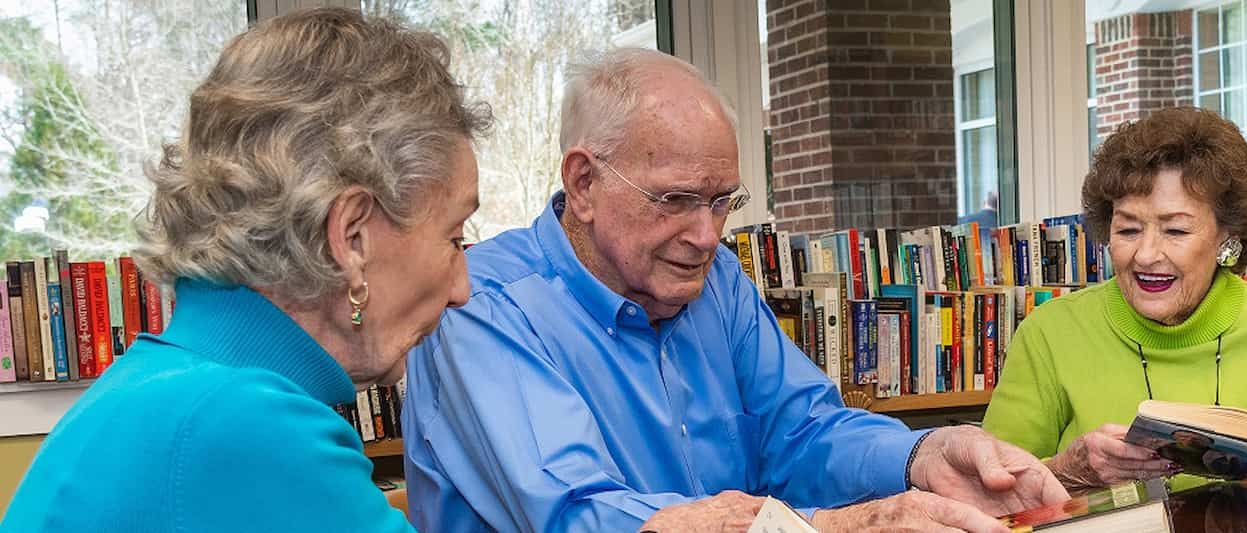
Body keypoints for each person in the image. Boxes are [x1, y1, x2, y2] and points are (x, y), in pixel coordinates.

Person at [402, 47, 1068, 533]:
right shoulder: (482, 307)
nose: (705, 233)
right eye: (677, 199)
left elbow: (805, 430)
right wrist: (841, 528)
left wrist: (922, 455)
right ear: (583, 184)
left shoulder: (715, 281)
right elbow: (583, 515)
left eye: (723, 202)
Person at [0, 8, 488, 532]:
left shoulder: (166, 389)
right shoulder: (244, 424)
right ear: (351, 236)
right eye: (454, 238)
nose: (462, 289)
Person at [982, 107, 1247, 490]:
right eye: (1127, 230)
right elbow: (988, 492)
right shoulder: (1051, 334)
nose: (1145, 255)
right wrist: (1070, 471)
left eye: (1176, 231)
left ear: (1227, 240)